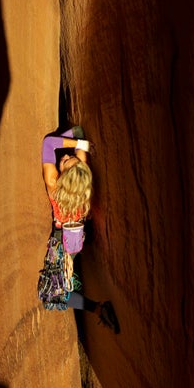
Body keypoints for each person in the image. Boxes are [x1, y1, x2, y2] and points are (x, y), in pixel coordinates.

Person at [37, 126, 119, 333]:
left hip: (61, 245)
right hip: (75, 239)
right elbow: (80, 132)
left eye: (65, 162)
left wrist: (78, 144)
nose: (64, 157)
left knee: (52, 295)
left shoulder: (54, 185)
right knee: (60, 285)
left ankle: (98, 308)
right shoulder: (85, 181)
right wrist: (79, 145)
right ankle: (98, 308)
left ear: (64, 177)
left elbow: (53, 142)